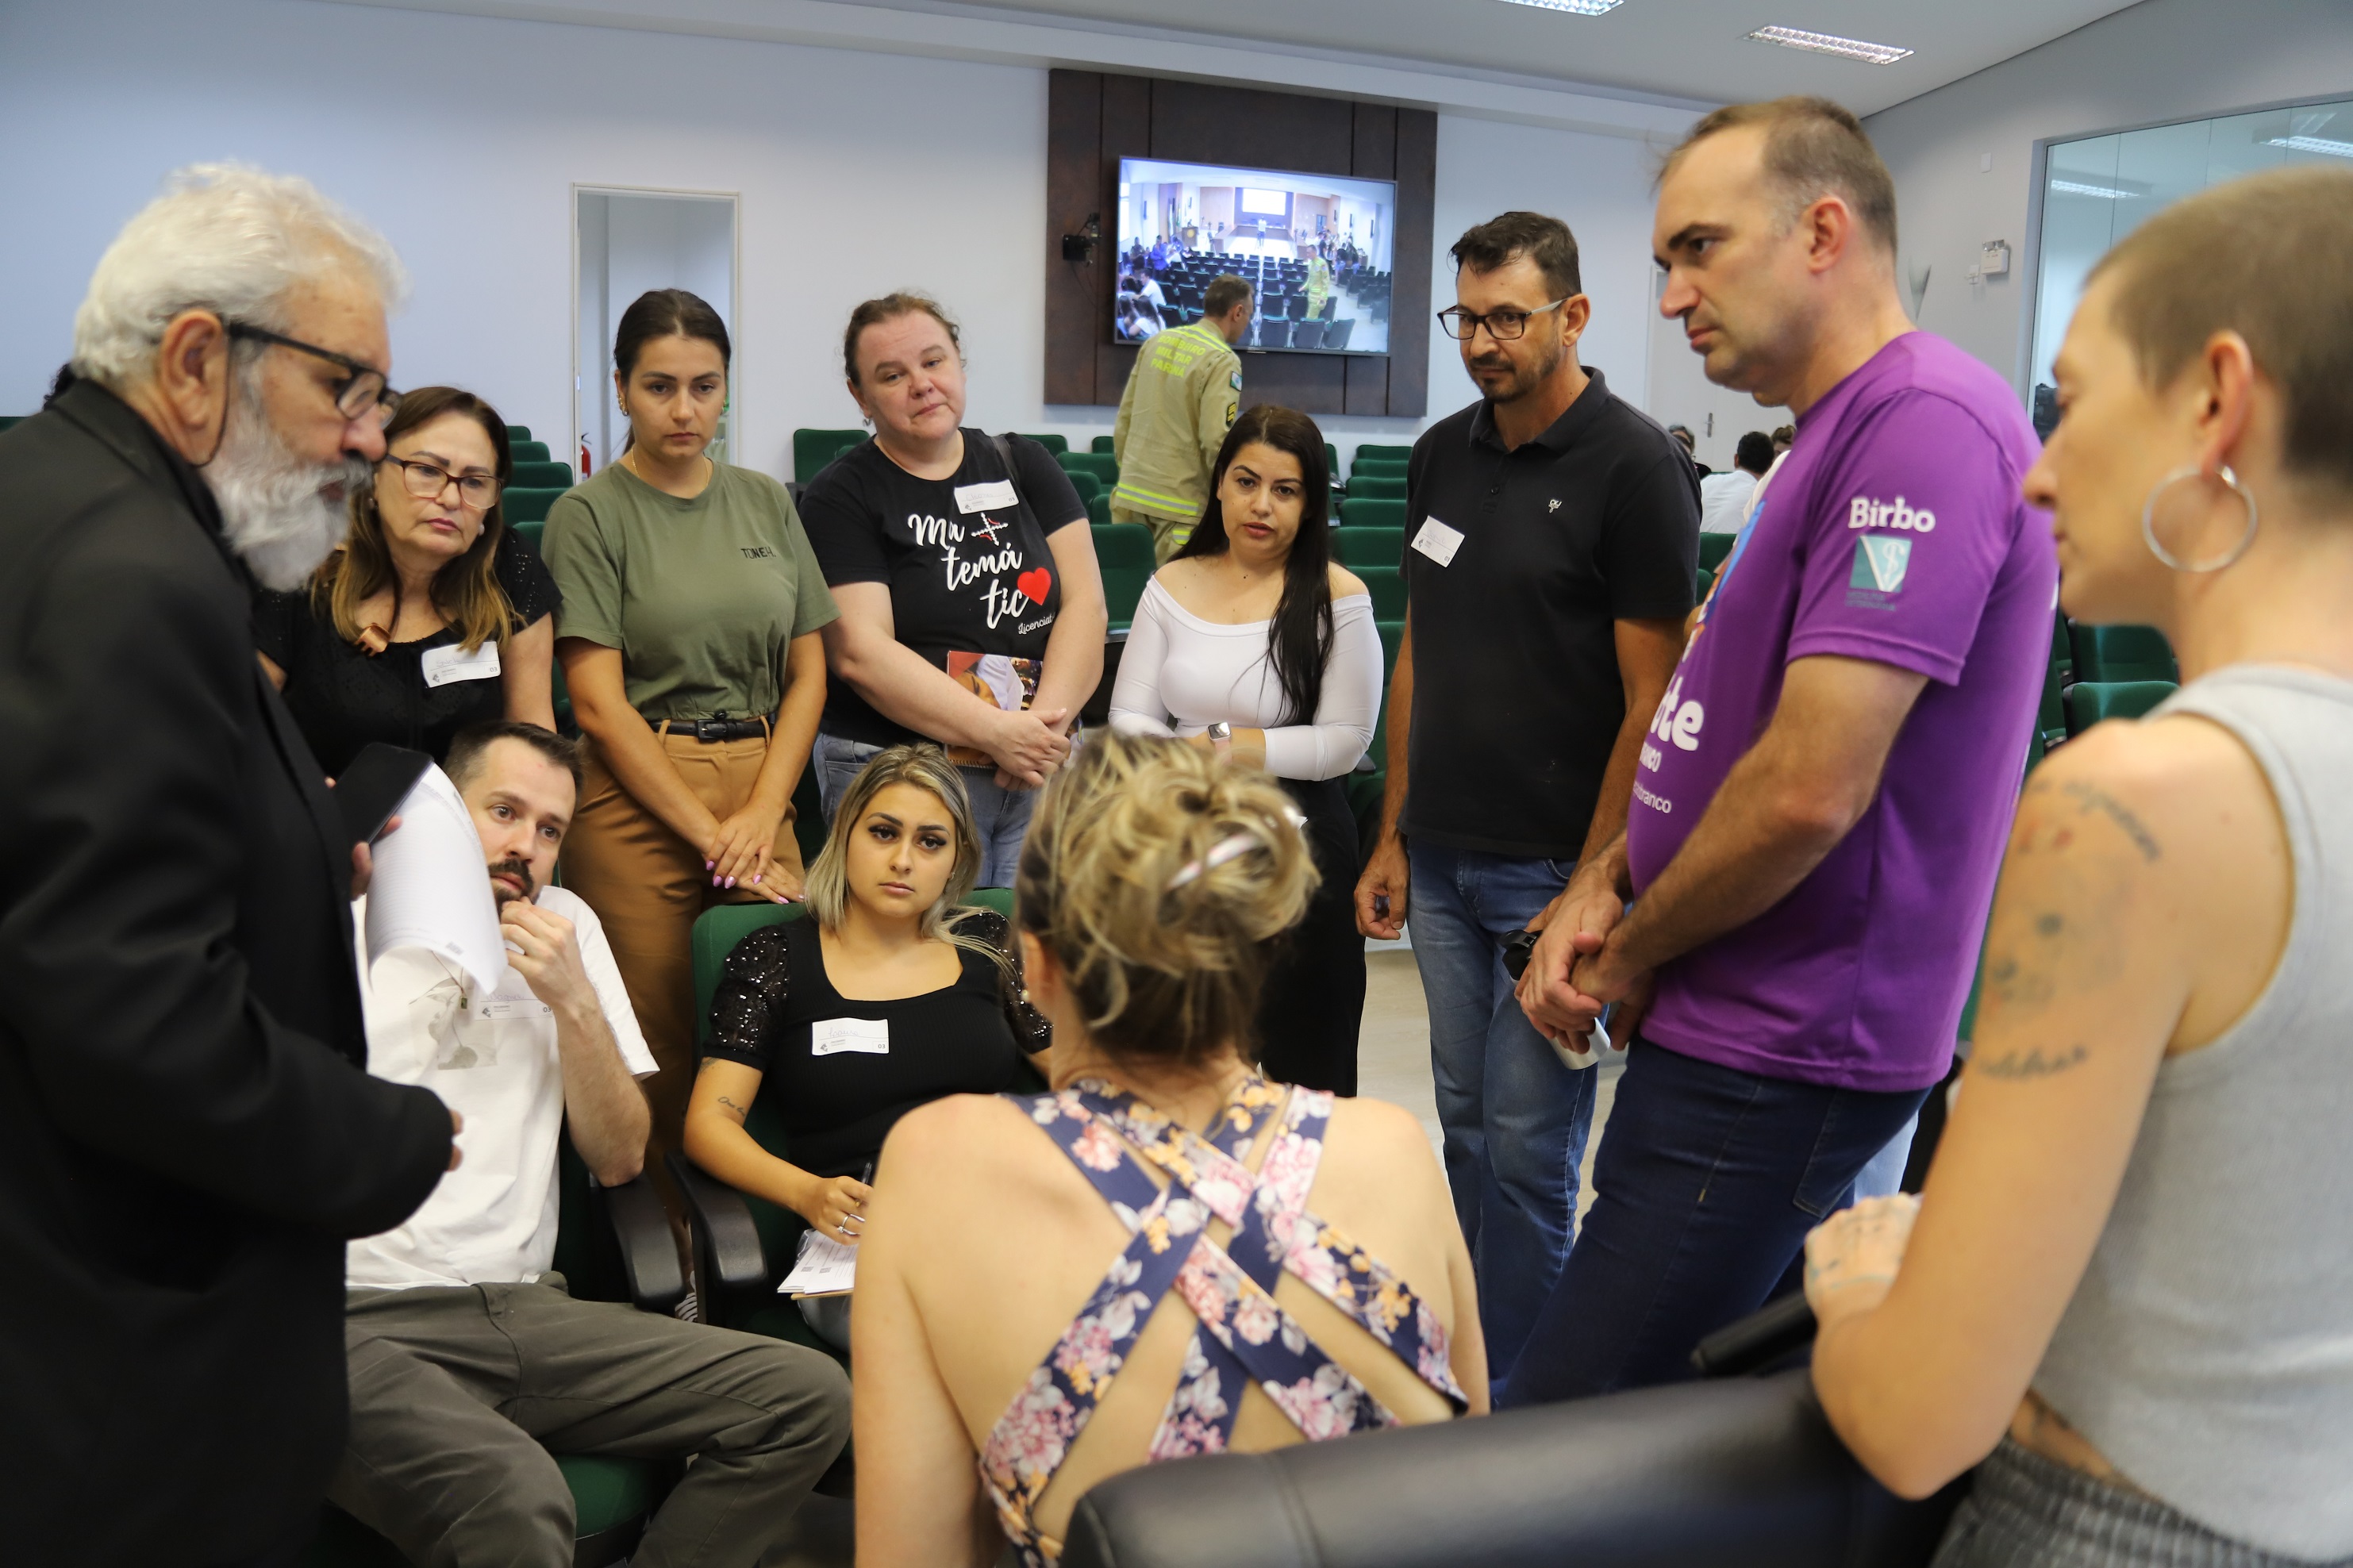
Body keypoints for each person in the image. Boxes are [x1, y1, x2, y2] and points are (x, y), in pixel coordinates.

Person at [1805, 165, 2353, 1568]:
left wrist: (1861, 1287)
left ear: (2216, 401)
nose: (2039, 468)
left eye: (2072, 399)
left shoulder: (2141, 803)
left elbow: (1917, 1417)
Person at [1506, 98, 2055, 1405]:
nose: (1671, 296)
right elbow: (1721, 717)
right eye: (1665, 262)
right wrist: (1609, 876)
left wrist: (1630, 951)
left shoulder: (1923, 425)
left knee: (1563, 1429)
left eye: (1699, 249)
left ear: (1822, 232)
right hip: (1739, 1020)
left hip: (1786, 1039)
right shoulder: (1834, 430)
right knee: (1698, 1436)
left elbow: (1810, 789)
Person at [0, 164, 456, 1565]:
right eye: (347, 390)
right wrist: (386, 1139)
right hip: (122, 1363)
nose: (370, 440)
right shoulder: (137, 574)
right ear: (199, 360)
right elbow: (129, 1014)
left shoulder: (44, 494)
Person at [853, 733, 1487, 1565]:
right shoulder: (1392, 1148)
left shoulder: (937, 1165)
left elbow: (912, 1553)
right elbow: (1474, 1496)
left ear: (1035, 964)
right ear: (1263, 951)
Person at [337, 721, 852, 1566]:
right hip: (355, 1313)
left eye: (550, 830)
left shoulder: (566, 924)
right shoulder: (341, 915)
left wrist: (573, 1003)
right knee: (515, 1495)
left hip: (524, 1310)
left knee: (806, 1399)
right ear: (441, 811)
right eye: (503, 812)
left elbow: (619, 1159)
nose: (525, 846)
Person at [1351, 209, 1698, 1389]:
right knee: (1459, 1123)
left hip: (1553, 869)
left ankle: (1526, 1394)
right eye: (1466, 319)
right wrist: (1394, 832)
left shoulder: (1634, 467)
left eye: (1508, 318)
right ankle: (1467, 1356)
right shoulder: (1441, 453)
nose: (1482, 342)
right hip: (1442, 858)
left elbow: (1653, 700)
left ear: (1573, 315)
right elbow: (1420, 651)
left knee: (1527, 1146)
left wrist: (1594, 882)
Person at [543, 287, 837, 1224]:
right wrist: (716, 836)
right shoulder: (589, 514)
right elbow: (597, 703)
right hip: (638, 792)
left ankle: (788, 1229)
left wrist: (761, 812)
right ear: (620, 389)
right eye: (659, 386)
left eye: (704, 386)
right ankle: (672, 1257)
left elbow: (809, 674)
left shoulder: (765, 500)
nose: (684, 409)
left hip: (760, 781)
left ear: (726, 389)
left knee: (783, 1011)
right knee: (661, 1039)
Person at [686, 745, 1049, 1340]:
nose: (903, 860)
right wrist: (807, 1193)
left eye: (930, 842)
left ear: (957, 859)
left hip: (997, 1212)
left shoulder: (987, 941)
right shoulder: (778, 957)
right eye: (884, 833)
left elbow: (1079, 1076)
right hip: (861, 1242)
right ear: (845, 835)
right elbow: (708, 1124)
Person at [1110, 405, 1380, 1093]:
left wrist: (1229, 747)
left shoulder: (1339, 597)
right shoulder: (1171, 583)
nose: (1261, 505)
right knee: (1186, 1070)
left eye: (1285, 490)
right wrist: (1189, 765)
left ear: (1310, 503)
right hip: (1181, 831)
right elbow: (1129, 715)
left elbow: (1346, 742)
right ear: (1220, 485)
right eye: (1246, 481)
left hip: (1301, 843)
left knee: (1306, 1082)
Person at [799, 293, 1107, 886]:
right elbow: (861, 652)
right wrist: (996, 734)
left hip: (1035, 767)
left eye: (933, 361)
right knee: (928, 945)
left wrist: (1039, 733)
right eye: (892, 375)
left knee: (1031, 940)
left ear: (958, 362)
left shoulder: (1024, 463)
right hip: (902, 771)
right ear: (861, 397)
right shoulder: (840, 495)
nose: (922, 384)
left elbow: (1086, 607)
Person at [256, 384, 558, 775]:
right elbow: (238, 737)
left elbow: (534, 744)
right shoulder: (302, 571)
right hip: (326, 809)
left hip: (470, 813)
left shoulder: (510, 567)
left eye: (474, 481)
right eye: (427, 471)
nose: (451, 499)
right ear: (373, 479)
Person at [1112, 274, 1255, 564]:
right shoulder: (1222, 360)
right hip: (1180, 509)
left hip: (1130, 496)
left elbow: (1124, 421)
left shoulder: (1155, 342)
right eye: (1249, 316)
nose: (1247, 324)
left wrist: (1130, 472)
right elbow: (1216, 440)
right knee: (1173, 593)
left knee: (1128, 591)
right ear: (1237, 312)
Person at [1696, 429, 1774, 535]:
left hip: (1694, 544)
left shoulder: (1706, 482)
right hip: (1737, 545)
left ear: (1736, 459)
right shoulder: (1764, 497)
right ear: (1771, 466)